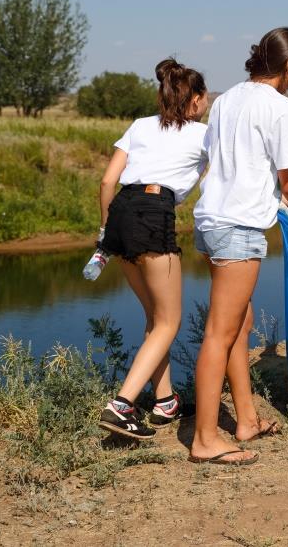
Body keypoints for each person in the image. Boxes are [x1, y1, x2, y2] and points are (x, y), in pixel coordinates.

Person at [190, 27, 288, 465]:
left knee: (238, 322)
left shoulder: (226, 98)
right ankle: (204, 440)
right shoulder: (279, 107)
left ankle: (246, 421)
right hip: (238, 227)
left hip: (211, 219)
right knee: (220, 332)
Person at [96, 58, 209, 440]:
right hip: (153, 212)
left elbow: (108, 181)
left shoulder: (141, 125)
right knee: (169, 321)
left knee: (154, 315)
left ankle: (165, 402)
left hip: (121, 212)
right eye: (205, 96)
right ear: (194, 100)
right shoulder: (202, 135)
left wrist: (105, 230)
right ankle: (121, 406)